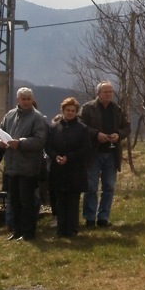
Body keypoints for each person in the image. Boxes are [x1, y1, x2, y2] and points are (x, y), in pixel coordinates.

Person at [0, 87, 48, 242]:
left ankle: (28, 232)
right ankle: (17, 230)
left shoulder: (37, 117)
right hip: (12, 166)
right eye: (23, 99)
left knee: (27, 202)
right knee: (15, 201)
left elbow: (40, 141)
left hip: (28, 167)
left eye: (28, 99)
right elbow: (0, 131)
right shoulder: (10, 115)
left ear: (32, 100)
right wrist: (0, 142)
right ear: (17, 99)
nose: (26, 101)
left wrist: (20, 143)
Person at [79, 81, 131, 228]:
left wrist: (118, 135)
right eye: (105, 92)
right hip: (93, 154)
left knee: (108, 187)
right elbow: (81, 126)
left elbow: (127, 127)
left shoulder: (117, 109)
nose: (108, 94)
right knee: (91, 187)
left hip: (112, 154)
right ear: (98, 93)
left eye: (110, 92)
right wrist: (96, 134)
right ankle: (89, 218)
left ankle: (103, 217)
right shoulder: (88, 109)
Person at [46, 97, 91, 238]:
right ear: (63, 110)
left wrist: (69, 157)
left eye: (73, 111)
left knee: (72, 202)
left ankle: (72, 230)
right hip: (58, 170)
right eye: (68, 110)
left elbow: (86, 147)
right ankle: (61, 229)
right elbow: (48, 146)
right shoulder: (54, 127)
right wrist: (55, 156)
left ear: (76, 112)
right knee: (60, 201)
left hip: (75, 170)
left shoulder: (82, 128)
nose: (70, 113)